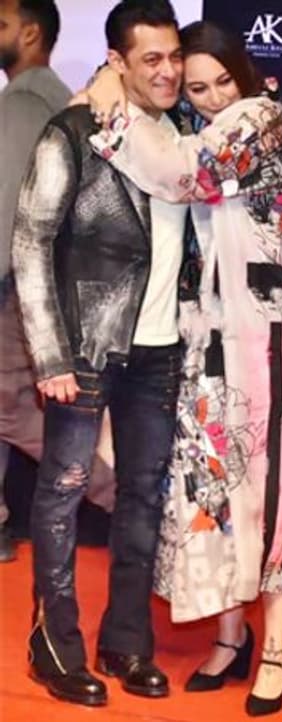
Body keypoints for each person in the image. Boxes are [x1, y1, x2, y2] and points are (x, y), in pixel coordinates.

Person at [83, 18, 282, 717]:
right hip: (210, 339)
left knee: (273, 493)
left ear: (244, 75)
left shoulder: (261, 119)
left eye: (223, 82)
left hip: (271, 335)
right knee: (216, 491)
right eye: (197, 88)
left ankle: (275, 648)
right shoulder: (196, 128)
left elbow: (182, 174)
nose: (215, 97)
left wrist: (112, 101)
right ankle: (230, 634)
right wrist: (108, 83)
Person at [12, 0, 186, 707]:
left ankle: (127, 642)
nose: (168, 71)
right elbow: (30, 240)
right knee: (63, 489)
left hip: (161, 350)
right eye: (151, 59)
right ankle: (55, 645)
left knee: (143, 495)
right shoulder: (74, 132)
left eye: (174, 56)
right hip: (83, 345)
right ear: (117, 61)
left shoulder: (182, 134)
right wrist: (49, 354)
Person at [0, 0, 71, 564]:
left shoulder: (25, 102)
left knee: (9, 409)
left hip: (15, 283)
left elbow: (8, 209)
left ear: (30, 33)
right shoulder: (57, 97)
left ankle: (125, 494)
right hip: (37, 282)